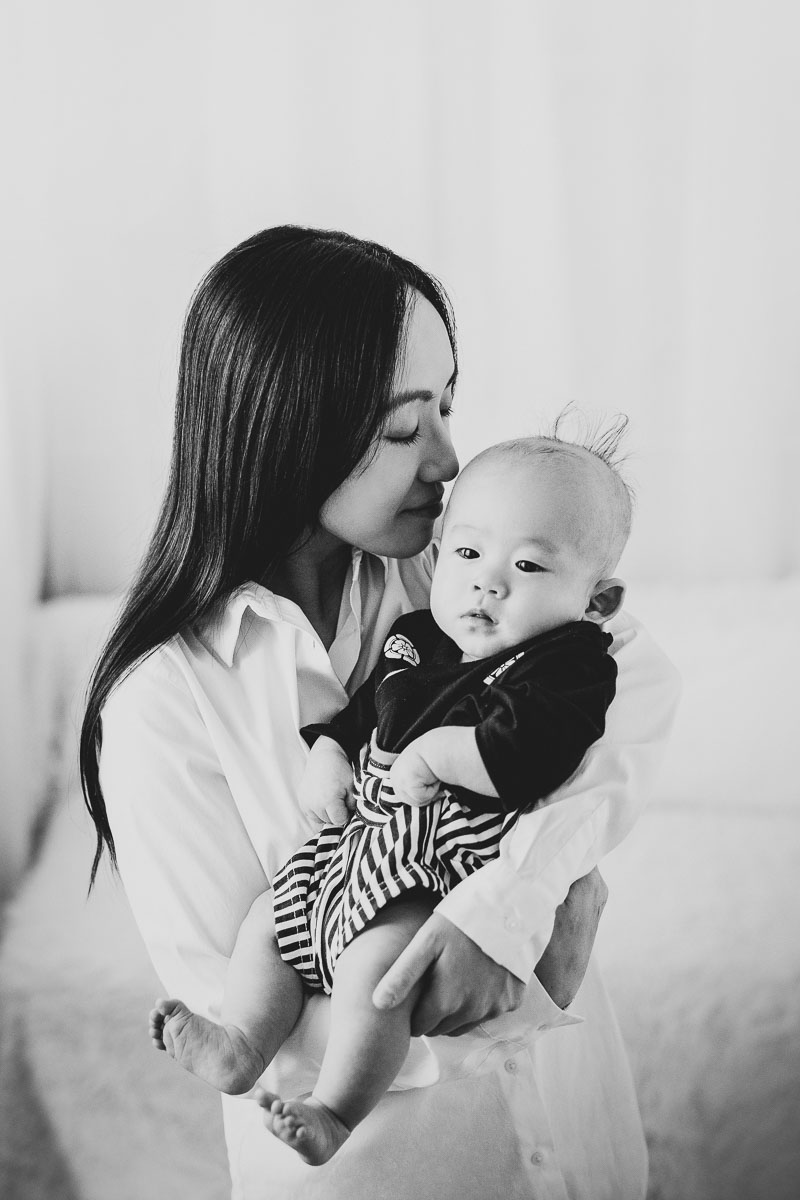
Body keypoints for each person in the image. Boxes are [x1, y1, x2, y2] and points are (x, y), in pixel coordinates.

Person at [80, 225, 680, 1200]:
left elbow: (632, 684)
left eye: (447, 405)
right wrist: (539, 936)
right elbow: (258, 1030)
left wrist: (510, 904)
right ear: (283, 427)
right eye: (403, 428)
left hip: (583, 1143)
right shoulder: (166, 700)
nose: (447, 459)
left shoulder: (464, 567)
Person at [148, 432, 631, 1168]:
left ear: (597, 601)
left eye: (528, 566)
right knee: (268, 925)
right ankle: (242, 1043)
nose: (487, 585)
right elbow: (369, 707)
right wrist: (331, 753)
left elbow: (534, 749)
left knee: (381, 967)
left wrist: (440, 754)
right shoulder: (417, 637)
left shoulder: (570, 663)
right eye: (467, 555)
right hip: (358, 843)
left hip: (439, 859)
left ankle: (336, 1110)